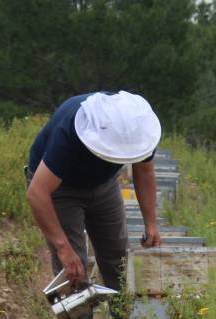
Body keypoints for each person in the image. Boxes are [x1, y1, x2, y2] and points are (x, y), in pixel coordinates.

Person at [25, 91, 162, 298]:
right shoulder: (70, 129)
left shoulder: (136, 127)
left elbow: (144, 170)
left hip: (104, 184)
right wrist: (63, 248)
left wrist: (150, 222)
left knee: (119, 259)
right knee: (73, 268)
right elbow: (37, 193)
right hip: (59, 188)